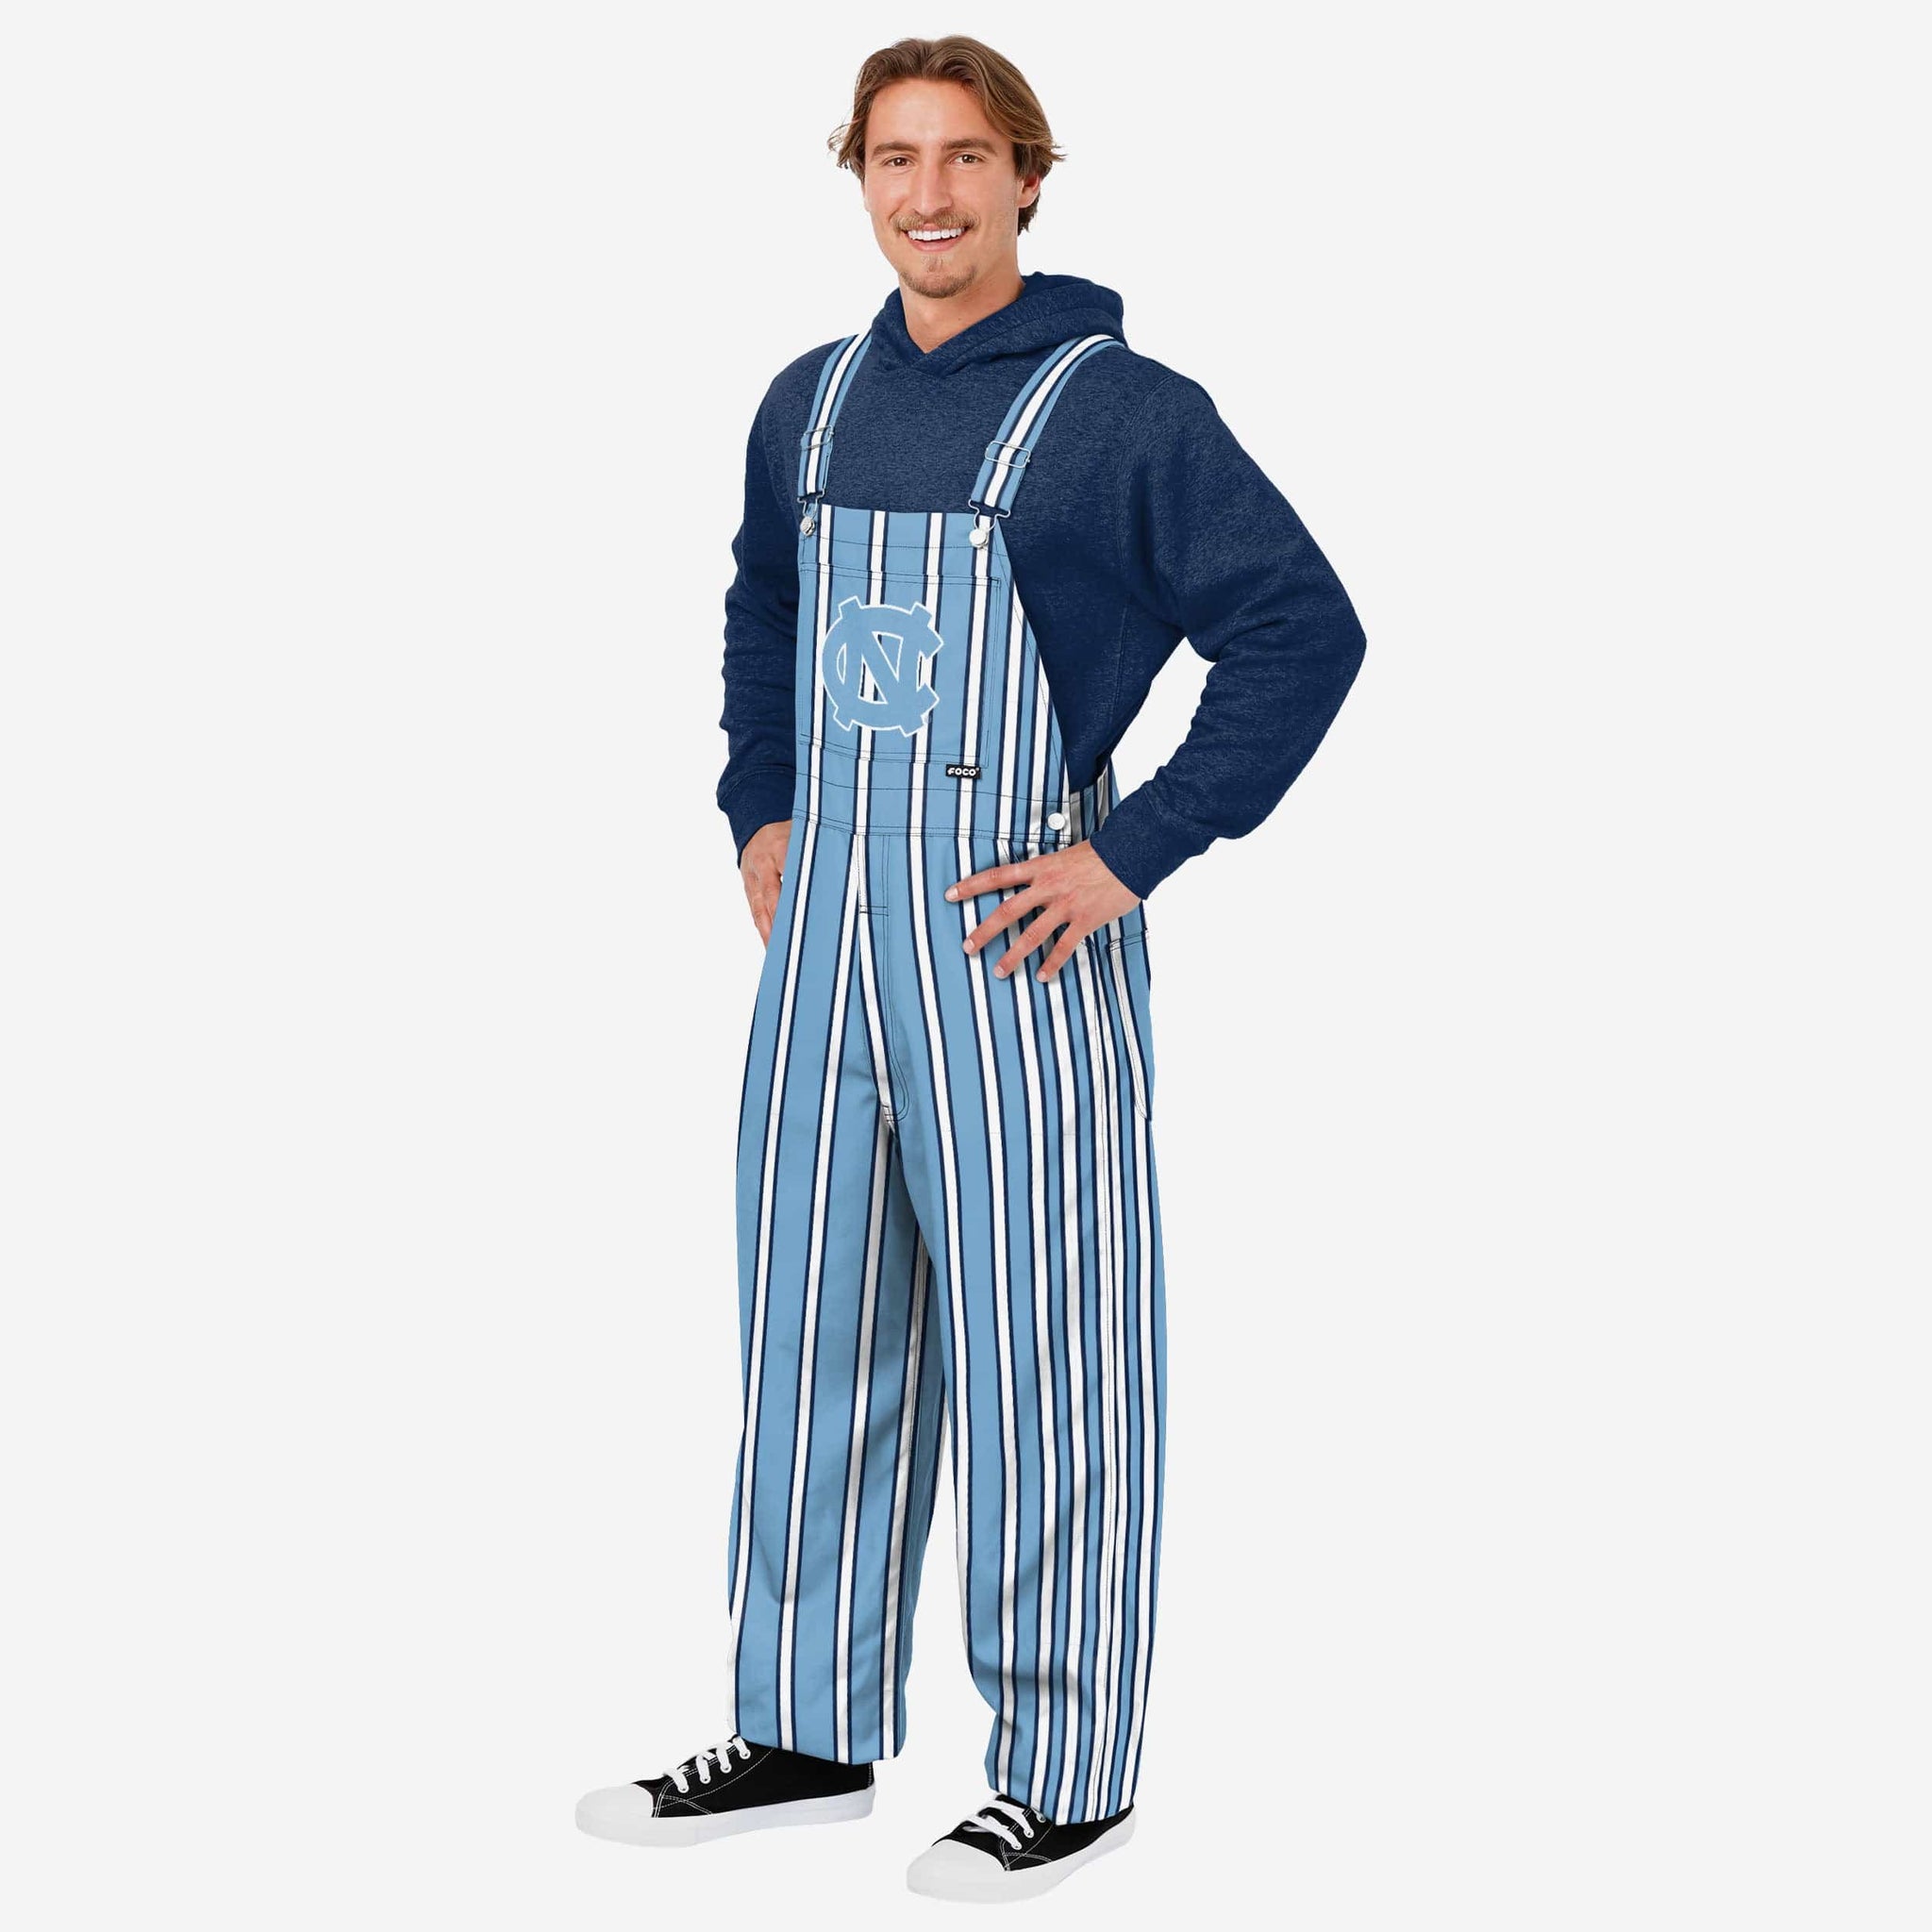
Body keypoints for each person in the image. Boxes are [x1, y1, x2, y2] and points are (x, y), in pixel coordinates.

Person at [577, 33, 1367, 1904]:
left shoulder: (1121, 413)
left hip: (1016, 941)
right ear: (855, 176)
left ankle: (1067, 1770)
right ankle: (802, 1726)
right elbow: (762, 606)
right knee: (812, 1331)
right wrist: (758, 805)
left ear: (1028, 176)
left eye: (963, 158)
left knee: (1044, 1355)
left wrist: (1130, 852)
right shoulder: (811, 400)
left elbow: (1302, 628)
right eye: (892, 159)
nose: (926, 195)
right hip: (821, 951)